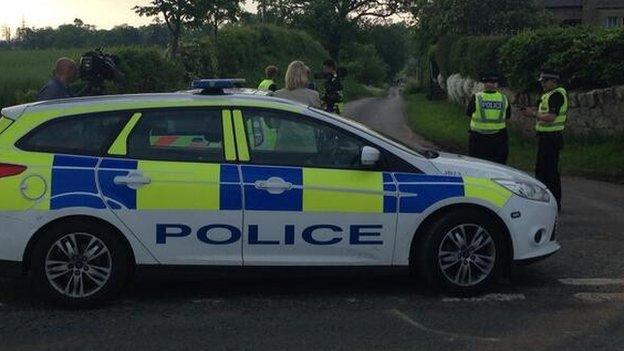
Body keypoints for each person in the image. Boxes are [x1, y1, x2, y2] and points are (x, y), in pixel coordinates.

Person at [521, 69, 568, 210]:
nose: (543, 84)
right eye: (542, 81)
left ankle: (554, 204)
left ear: (553, 81)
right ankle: (545, 202)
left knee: (550, 172)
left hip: (551, 138)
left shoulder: (557, 95)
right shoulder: (548, 95)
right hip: (545, 138)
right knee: (542, 171)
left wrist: (533, 114)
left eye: (545, 81)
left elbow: (551, 117)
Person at [465, 73, 511, 165]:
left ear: (484, 84)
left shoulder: (477, 97)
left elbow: (468, 113)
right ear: (496, 84)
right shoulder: (503, 98)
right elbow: (508, 116)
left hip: (478, 139)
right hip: (498, 140)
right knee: (497, 166)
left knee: (478, 166)